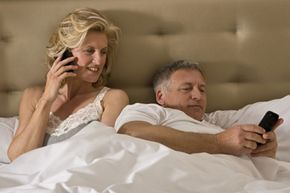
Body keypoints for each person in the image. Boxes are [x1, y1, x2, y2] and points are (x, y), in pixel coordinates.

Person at [7, 8, 129, 161]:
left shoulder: (112, 98)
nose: (99, 61)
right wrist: (47, 99)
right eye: (89, 51)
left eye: (103, 52)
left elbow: (104, 155)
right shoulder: (33, 96)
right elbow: (17, 157)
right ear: (65, 54)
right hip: (35, 181)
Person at [115, 60, 283, 158]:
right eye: (186, 88)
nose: (198, 96)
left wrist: (265, 153)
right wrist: (219, 143)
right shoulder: (150, 111)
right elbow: (132, 132)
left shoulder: (216, 126)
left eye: (202, 90)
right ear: (161, 97)